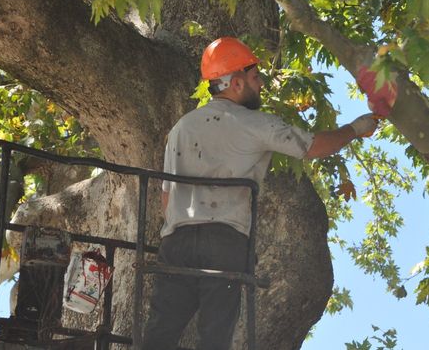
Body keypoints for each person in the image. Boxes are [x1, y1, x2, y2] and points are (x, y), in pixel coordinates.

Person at [142, 37, 380, 350]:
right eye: (255, 77)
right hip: (224, 240)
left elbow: (166, 199)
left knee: (159, 334)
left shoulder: (181, 128)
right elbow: (314, 146)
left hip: (176, 241)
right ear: (236, 83)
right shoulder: (253, 123)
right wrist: (356, 128)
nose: (262, 83)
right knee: (214, 338)